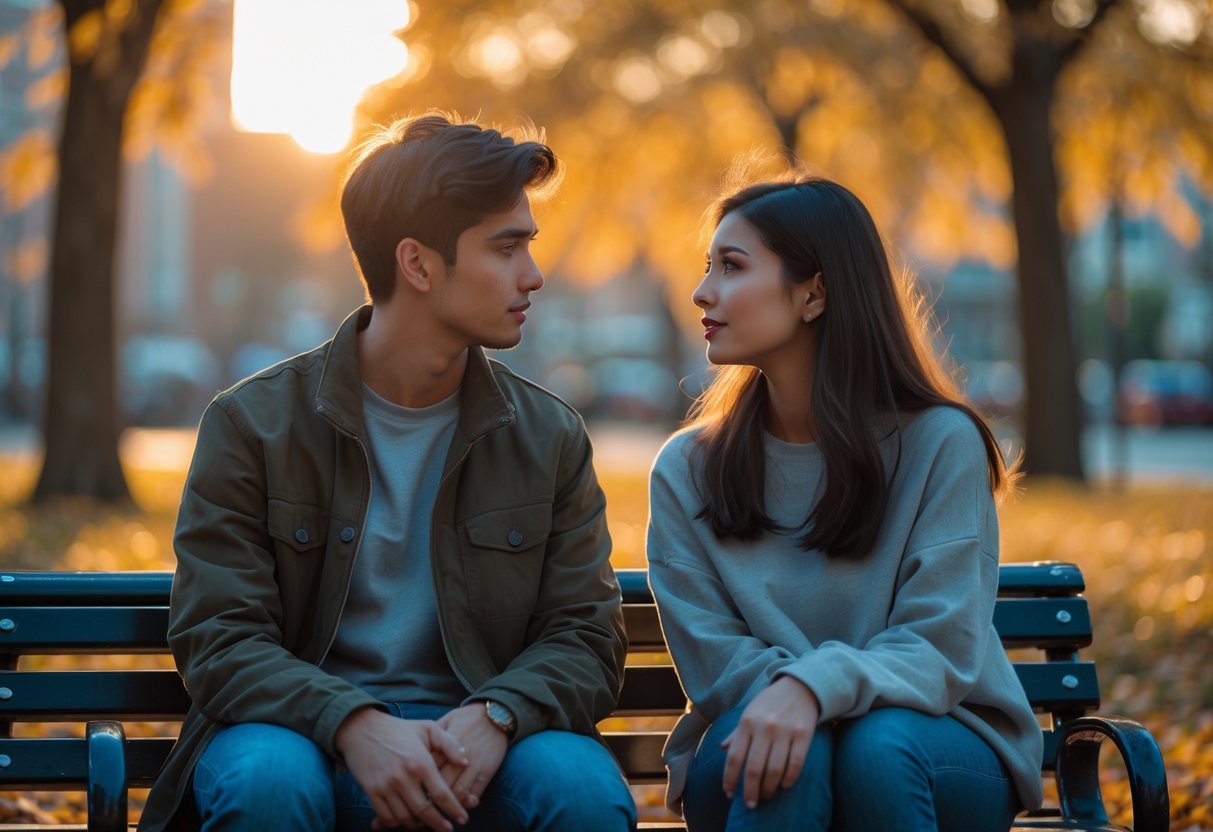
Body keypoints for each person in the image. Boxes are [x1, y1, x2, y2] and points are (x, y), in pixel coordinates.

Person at [139, 112, 635, 832]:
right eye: (507, 247)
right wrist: (352, 723)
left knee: (578, 789)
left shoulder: (548, 435)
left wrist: (496, 716)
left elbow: (585, 637)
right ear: (419, 264)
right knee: (267, 781)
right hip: (299, 735)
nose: (533, 273)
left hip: (486, 744)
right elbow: (220, 636)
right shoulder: (253, 423)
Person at [645, 173, 1044, 831]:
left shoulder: (939, 445)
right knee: (792, 756)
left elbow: (936, 645)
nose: (701, 291)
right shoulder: (687, 469)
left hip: (934, 745)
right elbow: (714, 661)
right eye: (707, 266)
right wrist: (795, 702)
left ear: (813, 293)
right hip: (753, 742)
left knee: (872, 750)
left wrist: (812, 690)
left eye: (731, 266)